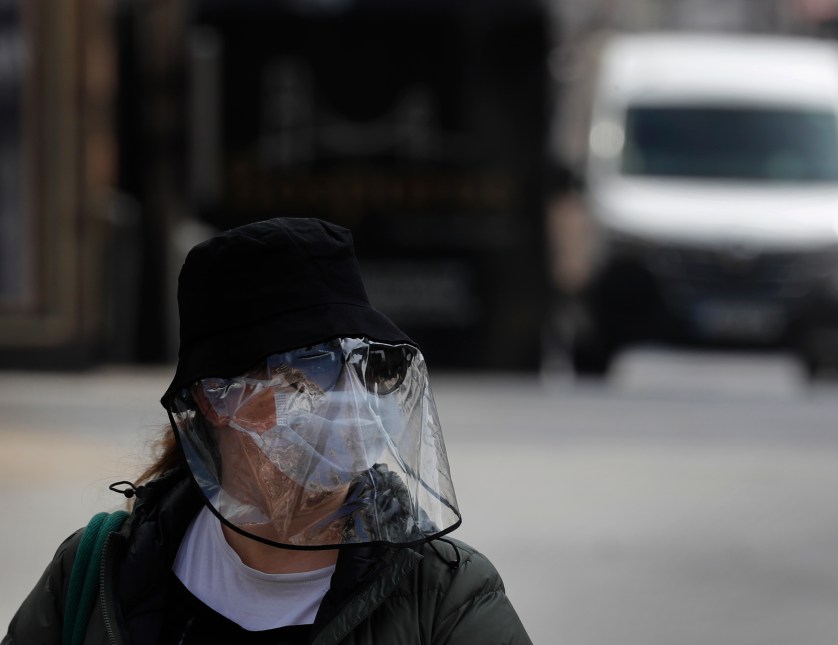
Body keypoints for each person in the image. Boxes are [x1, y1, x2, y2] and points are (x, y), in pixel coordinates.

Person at [3, 217, 532, 644]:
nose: (349, 401)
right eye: (308, 370)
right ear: (215, 398)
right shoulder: (98, 575)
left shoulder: (445, 593)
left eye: (366, 369)